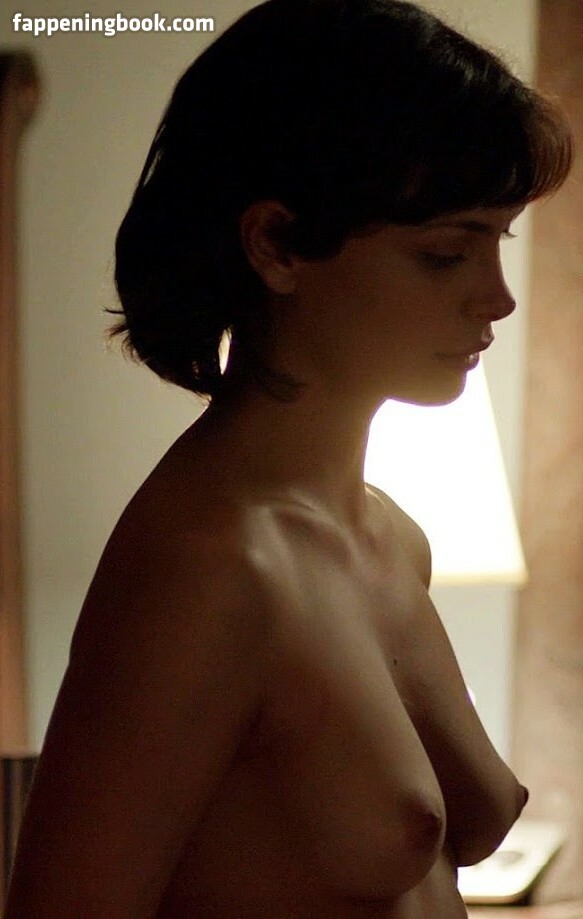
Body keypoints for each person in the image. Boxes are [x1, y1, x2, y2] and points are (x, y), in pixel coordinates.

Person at [4, 0, 572, 916]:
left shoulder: (389, 537)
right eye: (443, 253)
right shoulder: (209, 569)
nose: (497, 297)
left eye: (495, 242)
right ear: (274, 245)